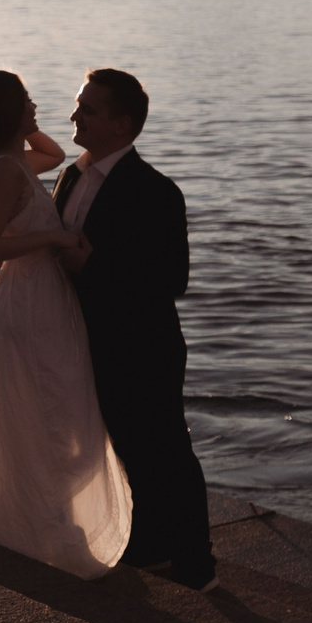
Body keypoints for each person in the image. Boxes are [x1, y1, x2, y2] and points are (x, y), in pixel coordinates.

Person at [0, 69, 131, 579]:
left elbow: (56, 154)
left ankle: (38, 513)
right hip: (27, 300)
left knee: (60, 406)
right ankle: (48, 522)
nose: (37, 104)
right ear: (5, 109)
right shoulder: (5, 170)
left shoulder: (15, 162)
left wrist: (19, 123)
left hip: (42, 299)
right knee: (51, 408)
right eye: (26, 99)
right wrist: (54, 240)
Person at [53, 68, 216, 589]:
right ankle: (142, 545)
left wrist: (93, 266)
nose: (74, 115)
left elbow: (173, 279)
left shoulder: (156, 192)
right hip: (84, 341)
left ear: (121, 125)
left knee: (164, 453)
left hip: (143, 346)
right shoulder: (70, 177)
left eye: (88, 109)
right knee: (113, 450)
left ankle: (197, 566)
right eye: (77, 105)